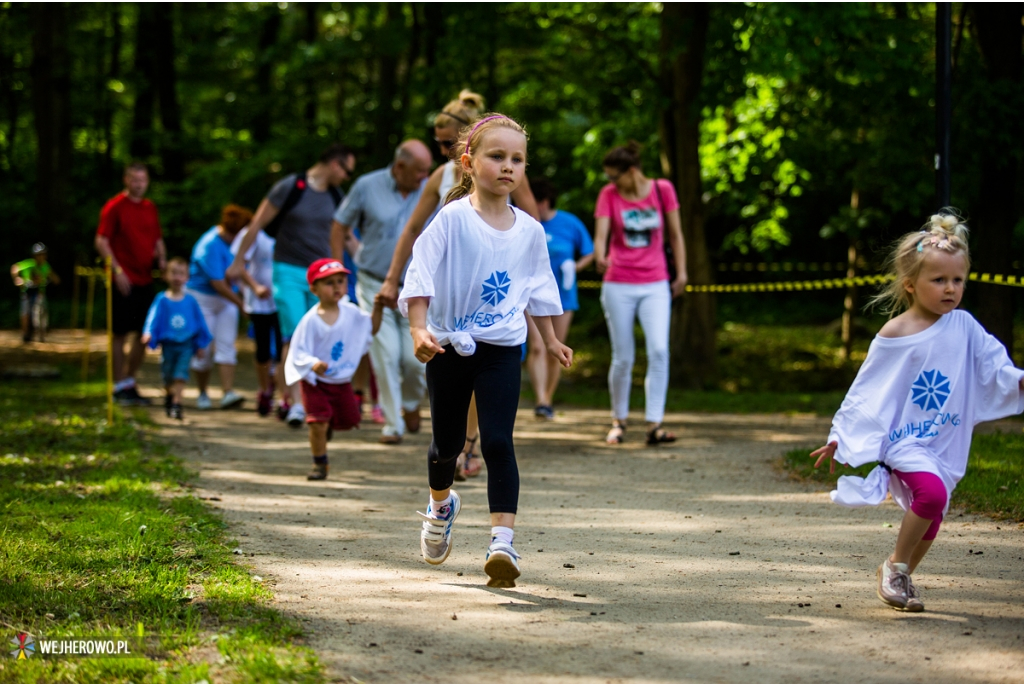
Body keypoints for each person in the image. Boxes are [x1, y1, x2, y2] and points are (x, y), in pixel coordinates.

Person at [811, 213, 1024, 612]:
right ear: (910, 285)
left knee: (933, 512)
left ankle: (898, 570)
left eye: (958, 280)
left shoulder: (965, 327)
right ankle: (897, 569)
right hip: (904, 440)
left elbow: (995, 365)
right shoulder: (896, 333)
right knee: (932, 493)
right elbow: (868, 389)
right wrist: (841, 434)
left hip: (946, 440)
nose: (950, 289)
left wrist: (1017, 381)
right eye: (939, 280)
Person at [398, 114, 572, 588]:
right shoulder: (452, 219)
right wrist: (419, 330)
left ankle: (502, 542)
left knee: (497, 441)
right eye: (497, 157)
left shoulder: (531, 231)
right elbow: (420, 275)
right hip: (449, 346)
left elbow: (538, 288)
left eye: (517, 159)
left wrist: (551, 338)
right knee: (446, 446)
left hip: (501, 347)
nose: (509, 167)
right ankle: (440, 506)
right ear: (469, 163)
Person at [375, 90, 540, 475]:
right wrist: (391, 278)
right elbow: (414, 229)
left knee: (485, 367)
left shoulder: (506, 174)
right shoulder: (442, 178)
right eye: (440, 143)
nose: (444, 149)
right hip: (447, 287)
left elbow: (530, 221)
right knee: (451, 371)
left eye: (448, 141)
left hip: (491, 289)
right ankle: (455, 444)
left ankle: (472, 443)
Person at [227, 144, 356, 427]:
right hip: (288, 271)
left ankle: (320, 400)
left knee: (324, 334)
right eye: (346, 170)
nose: (347, 177)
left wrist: (367, 262)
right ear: (334, 164)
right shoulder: (291, 186)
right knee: (296, 334)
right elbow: (257, 224)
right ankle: (298, 403)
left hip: (324, 275)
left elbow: (346, 236)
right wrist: (238, 261)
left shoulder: (337, 196)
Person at [331, 139, 433, 444]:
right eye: (419, 171)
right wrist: (336, 272)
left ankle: (411, 404)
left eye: (427, 171)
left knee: (415, 360)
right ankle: (392, 423)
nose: (423, 177)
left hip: (418, 289)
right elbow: (339, 226)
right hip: (374, 283)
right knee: (385, 355)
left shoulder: (432, 189)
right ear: (399, 166)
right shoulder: (366, 185)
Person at [593, 141, 687, 446]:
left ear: (631, 171)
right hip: (618, 281)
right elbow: (602, 234)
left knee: (659, 350)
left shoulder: (663, 190)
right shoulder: (609, 195)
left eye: (614, 176)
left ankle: (654, 424)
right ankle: (618, 421)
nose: (610, 182)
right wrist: (600, 254)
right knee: (623, 356)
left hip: (655, 282)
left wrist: (681, 273)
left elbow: (675, 234)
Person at [284, 258, 374, 481]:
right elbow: (299, 351)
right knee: (317, 422)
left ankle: (328, 423)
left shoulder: (352, 312)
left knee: (350, 419)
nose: (336, 287)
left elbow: (370, 329)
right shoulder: (311, 321)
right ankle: (319, 463)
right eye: (328, 283)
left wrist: (379, 307)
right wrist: (313, 363)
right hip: (315, 382)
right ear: (313, 289)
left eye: (340, 281)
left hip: (340, 380)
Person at [95, 162, 167, 405]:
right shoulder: (114, 206)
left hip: (146, 278)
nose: (139, 185)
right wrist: (117, 271)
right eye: (135, 180)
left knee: (144, 334)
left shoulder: (150, 208)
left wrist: (162, 259)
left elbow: (156, 238)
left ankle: (129, 380)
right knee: (119, 333)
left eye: (143, 180)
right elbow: (101, 241)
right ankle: (117, 384)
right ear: (126, 180)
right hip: (123, 280)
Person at [525, 178, 594, 420]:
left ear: (543, 201)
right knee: (536, 347)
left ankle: (548, 398)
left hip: (564, 296)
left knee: (556, 348)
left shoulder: (569, 222)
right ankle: (540, 399)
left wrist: (574, 267)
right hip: (532, 296)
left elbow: (590, 252)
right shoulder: (526, 223)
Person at [186, 204, 250, 410]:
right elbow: (217, 283)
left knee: (226, 345)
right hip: (202, 299)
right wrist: (241, 304)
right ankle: (203, 393)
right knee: (203, 346)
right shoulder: (209, 244)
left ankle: (227, 392)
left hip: (226, 300)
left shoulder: (234, 244)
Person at [141, 257, 212, 421]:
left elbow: (199, 323)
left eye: (181, 274)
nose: (177, 278)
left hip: (185, 344)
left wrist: (200, 344)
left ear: (187, 278)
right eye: (173, 273)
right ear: (165, 276)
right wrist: (148, 333)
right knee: (167, 375)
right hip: (168, 345)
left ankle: (177, 404)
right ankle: (169, 394)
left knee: (181, 373)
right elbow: (153, 318)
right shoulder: (162, 300)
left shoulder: (190, 301)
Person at [231, 224, 282, 416]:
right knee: (262, 350)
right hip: (259, 303)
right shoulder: (253, 233)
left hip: (282, 301)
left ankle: (284, 394)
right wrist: (255, 287)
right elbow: (239, 264)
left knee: (283, 347)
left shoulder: (289, 229)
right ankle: (265, 390)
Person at [10, 242, 60, 343]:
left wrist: (55, 280)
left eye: (43, 254)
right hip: (27, 291)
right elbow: (14, 268)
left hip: (39, 293)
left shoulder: (46, 266)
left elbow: (54, 277)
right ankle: (25, 333)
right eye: (39, 255)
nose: (41, 257)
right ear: (34, 256)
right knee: (25, 312)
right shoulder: (28, 264)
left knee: (42, 309)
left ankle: (41, 332)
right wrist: (17, 279)